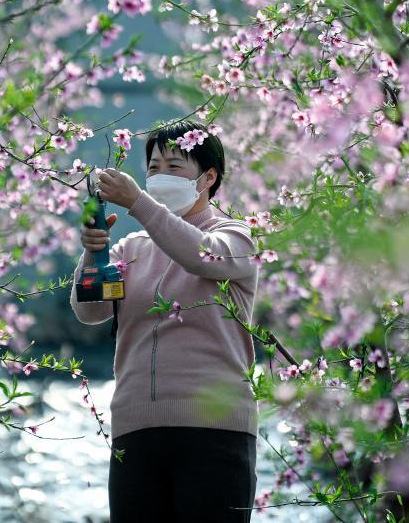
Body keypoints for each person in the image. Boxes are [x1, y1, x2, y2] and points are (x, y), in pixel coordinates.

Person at [69, 119, 261, 523]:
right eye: (153, 168)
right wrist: (94, 255)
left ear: (208, 178)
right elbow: (91, 312)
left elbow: (200, 256)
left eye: (175, 167)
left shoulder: (236, 238)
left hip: (217, 432)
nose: (159, 177)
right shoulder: (132, 249)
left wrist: (138, 202)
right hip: (135, 433)